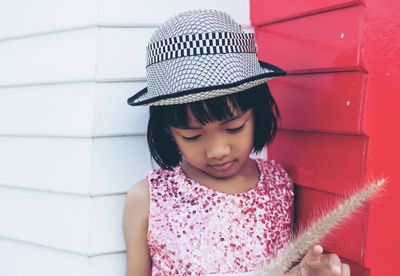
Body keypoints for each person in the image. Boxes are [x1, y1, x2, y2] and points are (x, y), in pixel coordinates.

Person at [123, 9, 350, 276]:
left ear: (258, 114)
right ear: (168, 132)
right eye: (192, 136)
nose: (218, 150)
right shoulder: (148, 198)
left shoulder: (278, 184)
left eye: (234, 128)